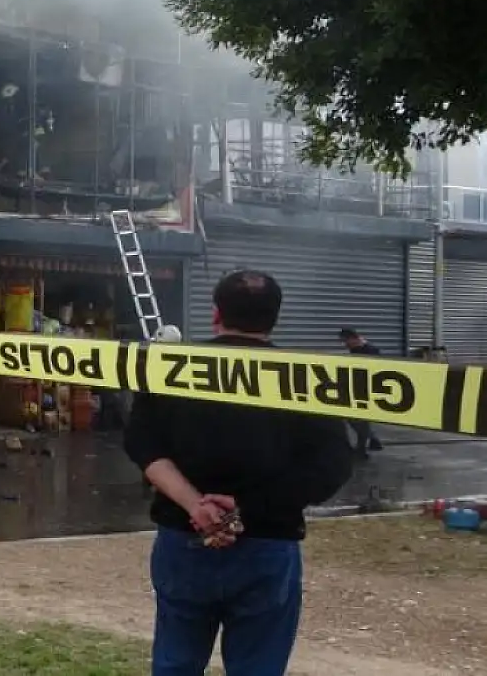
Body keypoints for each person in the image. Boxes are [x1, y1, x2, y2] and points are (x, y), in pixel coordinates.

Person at [125, 270, 353, 676]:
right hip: (266, 543)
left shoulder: (170, 368)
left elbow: (143, 446)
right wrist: (243, 509)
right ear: (274, 319)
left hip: (185, 540)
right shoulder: (306, 379)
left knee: (175, 664)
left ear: (216, 315)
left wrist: (196, 505)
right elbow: (331, 467)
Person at [338, 328, 385, 457]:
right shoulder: (355, 349)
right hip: (358, 387)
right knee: (359, 419)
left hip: (367, 389)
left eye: (346, 341)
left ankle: (363, 448)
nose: (345, 345)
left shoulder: (371, 350)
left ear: (354, 338)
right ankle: (371, 441)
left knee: (358, 419)